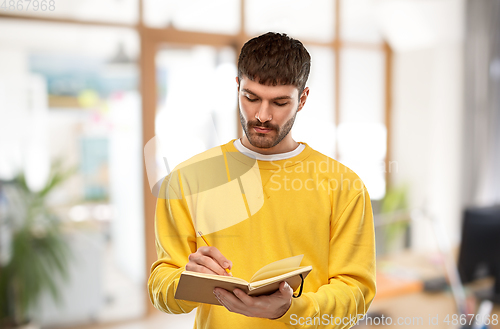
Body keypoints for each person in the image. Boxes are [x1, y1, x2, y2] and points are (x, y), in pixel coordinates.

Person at [148, 32, 376, 329]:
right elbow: (159, 286)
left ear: (303, 99)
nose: (262, 115)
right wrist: (187, 281)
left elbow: (357, 293)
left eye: (280, 102)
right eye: (251, 97)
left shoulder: (344, 185)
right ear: (237, 88)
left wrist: (292, 309)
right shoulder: (187, 179)